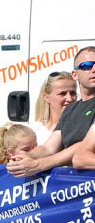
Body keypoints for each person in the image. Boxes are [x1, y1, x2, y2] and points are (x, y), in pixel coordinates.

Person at [10, 47, 95, 177]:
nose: (94, 70)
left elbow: (83, 147)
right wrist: (24, 157)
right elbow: (49, 147)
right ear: (75, 74)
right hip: (69, 188)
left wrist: (38, 165)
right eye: (87, 66)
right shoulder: (71, 109)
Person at [29, 71, 77, 144]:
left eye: (73, 93)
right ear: (46, 97)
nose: (69, 98)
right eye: (62, 93)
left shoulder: (81, 128)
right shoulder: (34, 131)